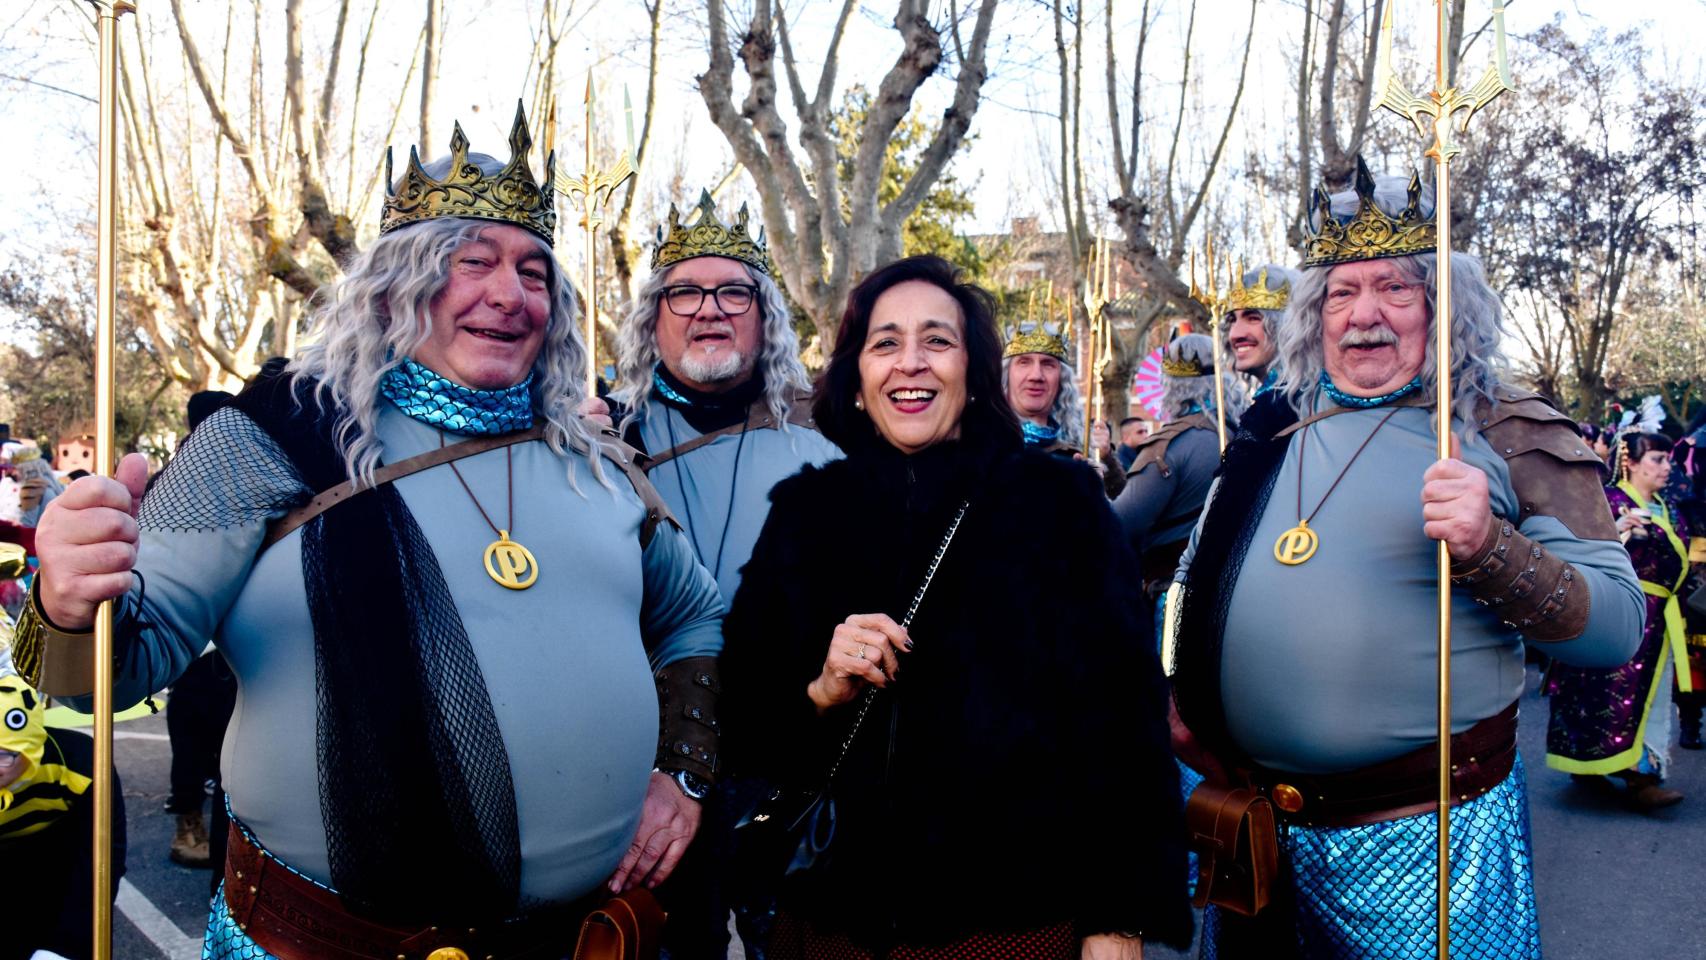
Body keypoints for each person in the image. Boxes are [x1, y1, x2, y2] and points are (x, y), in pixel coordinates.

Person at [14, 106, 725, 959]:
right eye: (472, 263)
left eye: (534, 272)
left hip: (573, 941)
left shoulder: (597, 459)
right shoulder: (268, 437)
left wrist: (682, 771)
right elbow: (113, 670)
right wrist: (65, 600)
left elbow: (694, 618)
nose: (509, 294)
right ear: (395, 286)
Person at [1168, 160, 1645, 959]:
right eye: (1342, 293)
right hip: (1259, 831)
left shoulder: (1502, 426)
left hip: (1428, 851)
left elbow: (1617, 628)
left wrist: (1490, 547)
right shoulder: (1269, 429)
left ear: (1443, 305)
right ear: (1314, 314)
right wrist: (1174, 686)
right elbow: (1189, 579)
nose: (1366, 316)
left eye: (1395, 289)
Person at [720, 255, 1193, 959]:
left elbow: (1124, 727)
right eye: (886, 343)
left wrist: (1117, 916)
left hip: (1008, 923)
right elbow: (746, 722)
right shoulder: (805, 515)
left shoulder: (1058, 506)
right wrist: (818, 691)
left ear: (974, 371)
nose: (910, 363)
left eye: (937, 341)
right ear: (855, 378)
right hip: (828, 924)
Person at [603, 191, 839, 958]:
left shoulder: (829, 442)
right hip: (641, 768)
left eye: (733, 291)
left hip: (792, 767)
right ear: (653, 316)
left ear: (765, 315)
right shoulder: (599, 436)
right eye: (685, 291)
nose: (710, 309)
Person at [1546, 431, 1693, 808]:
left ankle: (1642, 774)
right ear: (1630, 462)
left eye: (1668, 459)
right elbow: (1573, 546)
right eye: (1658, 459)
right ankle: (1595, 767)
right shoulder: (1606, 501)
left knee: (1651, 694)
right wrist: (1620, 533)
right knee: (1599, 691)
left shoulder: (1668, 506)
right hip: (1614, 609)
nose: (1667, 467)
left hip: (1658, 616)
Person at [160, 390, 240, 871]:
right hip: (197, 651)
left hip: (234, 650)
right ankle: (188, 824)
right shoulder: (177, 483)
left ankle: (222, 834)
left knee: (228, 754)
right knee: (193, 744)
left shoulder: (257, 479)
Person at [0, 663, 127, 960]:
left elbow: (101, 864)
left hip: (47, 873)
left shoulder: (83, 765)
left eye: (4, 755)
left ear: (30, 745)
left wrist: (63, 947)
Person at [1112, 332, 1247, 603]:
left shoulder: (1169, 445)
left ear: (1170, 385)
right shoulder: (1237, 434)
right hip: (1228, 592)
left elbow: (1118, 524)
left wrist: (1085, 485)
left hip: (1170, 593)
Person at [1001, 322, 1125, 496]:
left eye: (1047, 364)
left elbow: (1121, 514)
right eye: (1024, 362)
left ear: (1062, 379)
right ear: (1007, 375)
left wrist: (1104, 464)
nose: (1036, 375)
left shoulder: (1079, 446)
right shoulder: (982, 440)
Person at [1221, 263, 1297, 392]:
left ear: (1289, 325)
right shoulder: (1269, 405)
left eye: (1253, 318)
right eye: (1232, 320)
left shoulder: (1309, 405)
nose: (1235, 334)